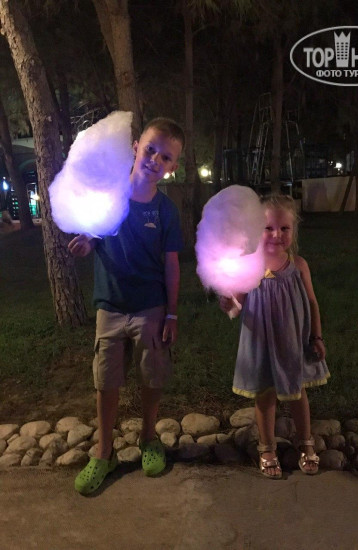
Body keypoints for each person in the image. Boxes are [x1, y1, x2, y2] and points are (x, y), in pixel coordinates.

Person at [69, 117, 185, 495]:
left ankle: (149, 438)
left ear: (172, 167)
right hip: (110, 306)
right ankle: (104, 453)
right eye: (150, 149)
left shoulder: (165, 211)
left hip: (151, 308)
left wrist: (171, 312)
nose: (154, 160)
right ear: (136, 147)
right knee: (106, 382)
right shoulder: (110, 196)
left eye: (165, 157)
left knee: (152, 376)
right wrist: (87, 241)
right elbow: (95, 230)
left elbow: (171, 264)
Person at [219, 194, 329, 479]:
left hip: (292, 342)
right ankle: (267, 448)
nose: (277, 234)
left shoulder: (298, 265)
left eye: (284, 228)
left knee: (297, 392)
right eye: (268, 228)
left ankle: (305, 442)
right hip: (261, 343)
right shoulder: (250, 266)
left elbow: (312, 302)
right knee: (265, 395)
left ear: (293, 230)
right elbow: (237, 303)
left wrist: (316, 337)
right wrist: (228, 302)